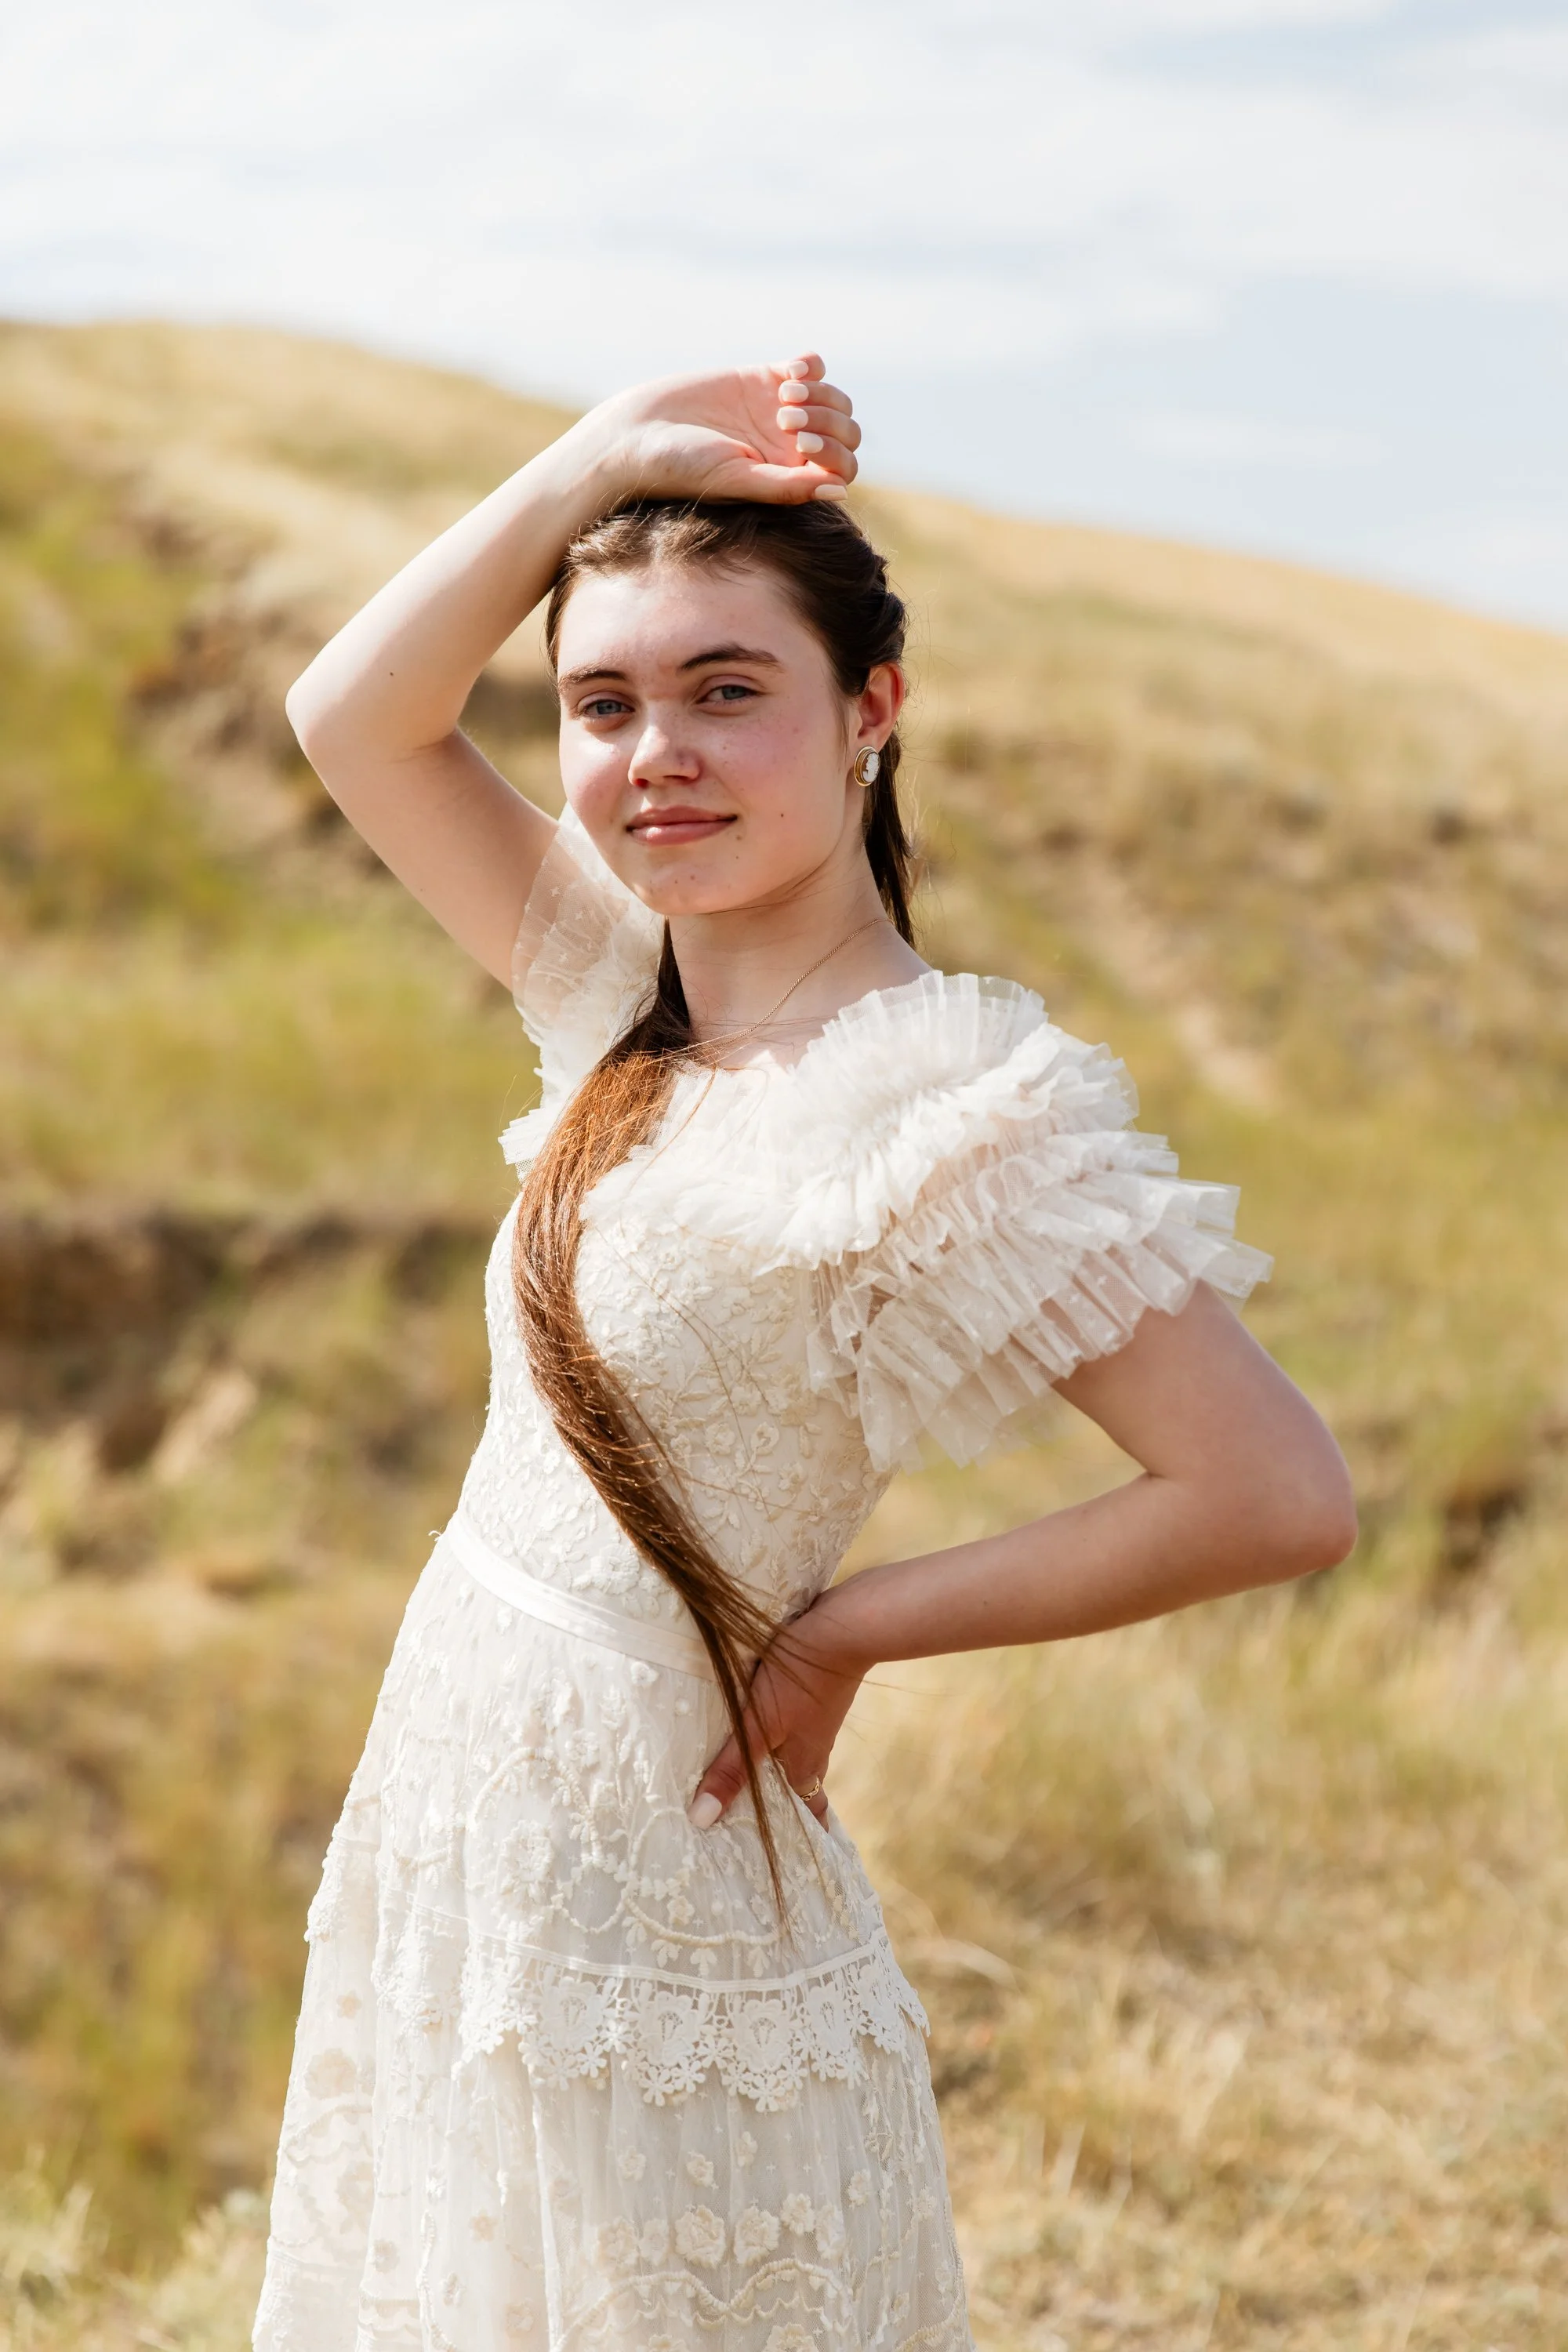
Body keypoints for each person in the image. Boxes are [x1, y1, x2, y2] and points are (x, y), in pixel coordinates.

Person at [252, 353, 1356, 2352]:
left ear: (869, 715)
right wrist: (593, 463)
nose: (653, 752)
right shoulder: (617, 996)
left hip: (661, 1922)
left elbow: (1271, 1494)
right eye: (604, 703)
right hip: (468, 1855)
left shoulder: (942, 1108)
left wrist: (841, 1631)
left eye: (725, 689)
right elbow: (355, 714)